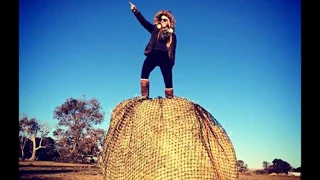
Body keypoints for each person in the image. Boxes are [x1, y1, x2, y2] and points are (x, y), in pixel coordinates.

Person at [129, 2, 177, 99]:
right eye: (160, 19)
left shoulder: (173, 36)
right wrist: (135, 11)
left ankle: (170, 100)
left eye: (164, 20)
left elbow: (173, 51)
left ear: (169, 21)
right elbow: (144, 22)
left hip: (165, 57)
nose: (162, 21)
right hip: (154, 54)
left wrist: (171, 63)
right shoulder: (155, 30)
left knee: (168, 79)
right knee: (144, 72)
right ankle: (144, 96)